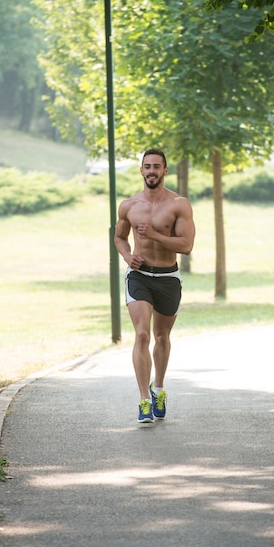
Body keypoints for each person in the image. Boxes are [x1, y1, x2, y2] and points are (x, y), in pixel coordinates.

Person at [114, 149, 196, 423]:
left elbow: (186, 246)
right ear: (141, 170)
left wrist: (155, 235)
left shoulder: (178, 205)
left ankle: (158, 388)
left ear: (164, 171)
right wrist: (128, 256)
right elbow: (119, 238)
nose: (151, 170)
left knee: (161, 337)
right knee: (141, 336)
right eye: (147, 166)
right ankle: (144, 401)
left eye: (156, 166)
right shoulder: (128, 205)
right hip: (139, 276)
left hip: (167, 277)